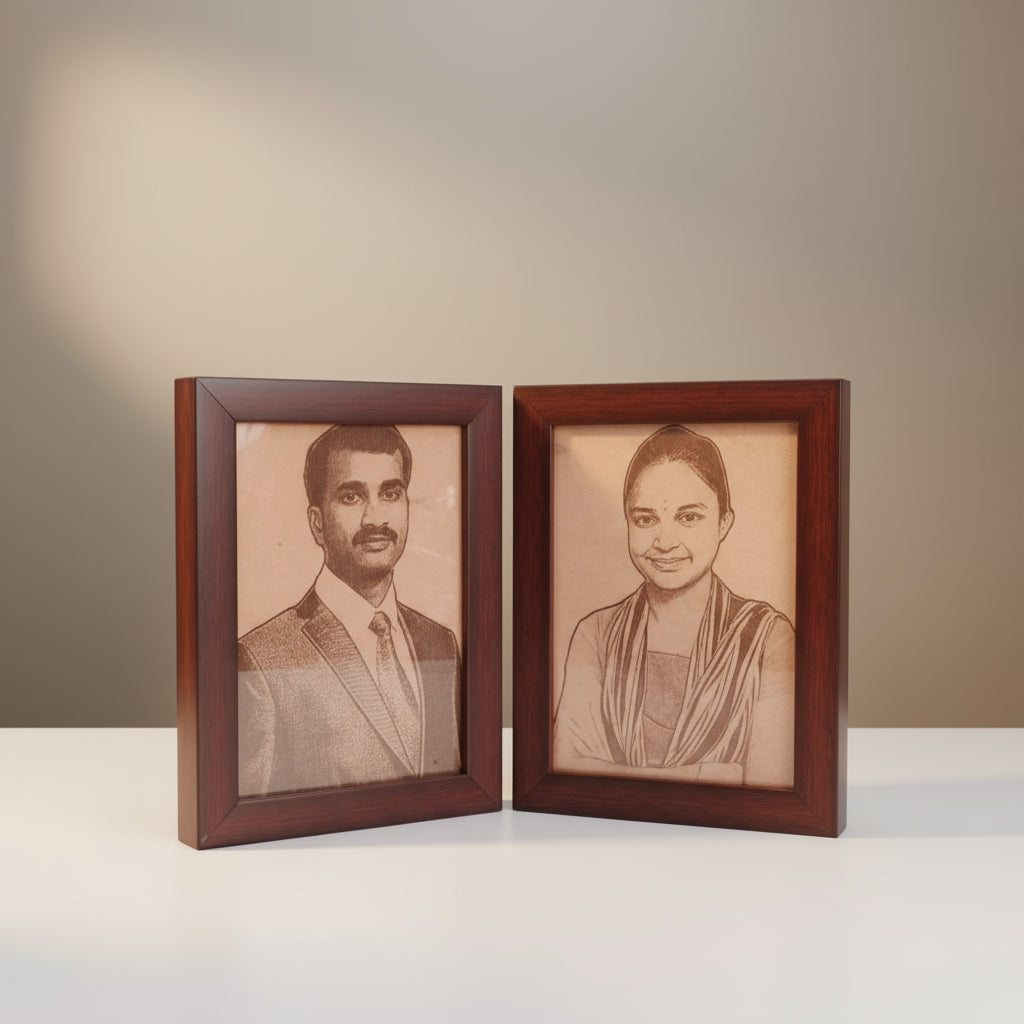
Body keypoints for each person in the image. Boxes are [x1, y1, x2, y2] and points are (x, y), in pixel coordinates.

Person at [553, 425, 794, 788]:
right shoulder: (596, 634)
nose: (664, 541)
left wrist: (613, 772)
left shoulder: (768, 639)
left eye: (689, 516)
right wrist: (714, 774)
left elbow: (769, 787)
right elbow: (568, 770)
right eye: (646, 519)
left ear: (724, 522)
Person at [237, 425, 461, 796]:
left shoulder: (440, 643)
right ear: (317, 523)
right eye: (352, 497)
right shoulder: (261, 658)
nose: (376, 519)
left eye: (390, 493)